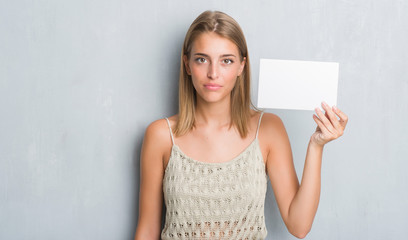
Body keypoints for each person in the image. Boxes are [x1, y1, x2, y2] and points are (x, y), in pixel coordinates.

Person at [134, 10, 348, 240]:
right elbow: (147, 230)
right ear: (187, 65)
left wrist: (317, 146)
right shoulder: (161, 135)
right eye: (201, 59)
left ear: (241, 67)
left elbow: (299, 226)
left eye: (226, 61)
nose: (213, 73)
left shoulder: (268, 129)